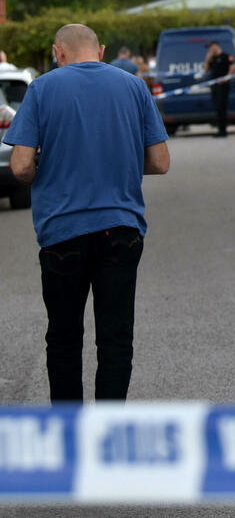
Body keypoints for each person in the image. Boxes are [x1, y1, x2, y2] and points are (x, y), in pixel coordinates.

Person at [2, 24, 170, 403]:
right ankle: (107, 428)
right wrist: (119, 162)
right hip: (121, 229)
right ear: (101, 50)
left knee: (63, 338)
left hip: (62, 231)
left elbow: (20, 165)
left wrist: (47, 170)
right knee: (115, 339)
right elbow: (160, 161)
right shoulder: (134, 87)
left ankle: (69, 428)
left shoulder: (42, 89)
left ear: (57, 52)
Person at [204, 40, 235, 137]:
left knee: (222, 107)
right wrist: (207, 59)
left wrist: (226, 78)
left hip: (223, 86)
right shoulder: (212, 59)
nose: (210, 49)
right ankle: (220, 129)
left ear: (216, 46)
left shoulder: (226, 56)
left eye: (211, 47)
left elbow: (233, 67)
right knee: (217, 108)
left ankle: (223, 130)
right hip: (214, 86)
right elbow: (206, 70)